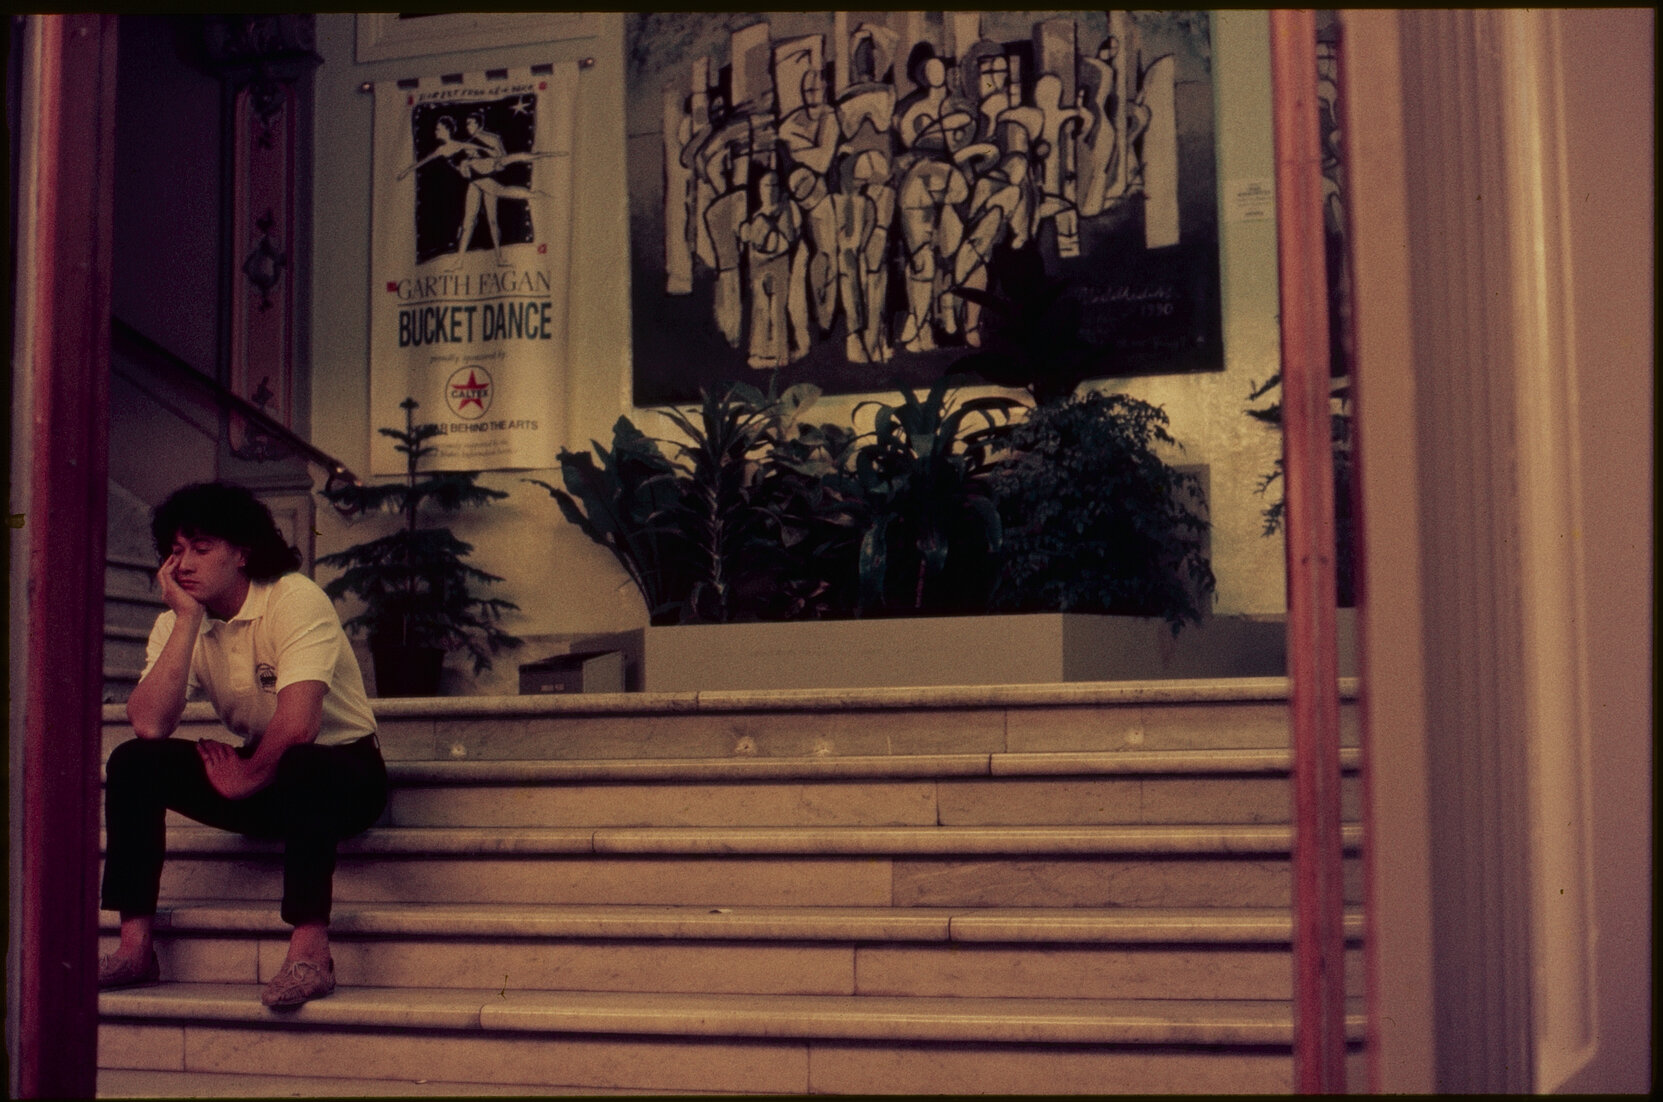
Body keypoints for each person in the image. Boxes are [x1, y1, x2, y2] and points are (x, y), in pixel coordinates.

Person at [99, 481, 387, 1009]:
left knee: (303, 763)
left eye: (201, 548)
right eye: (176, 550)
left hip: (343, 774)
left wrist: (249, 776)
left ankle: (309, 953)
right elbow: (148, 724)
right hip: (264, 771)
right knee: (133, 761)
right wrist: (187, 620)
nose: (184, 563)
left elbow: (299, 723)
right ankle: (135, 947)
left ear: (241, 551)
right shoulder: (177, 620)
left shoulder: (294, 597)